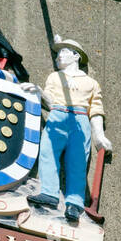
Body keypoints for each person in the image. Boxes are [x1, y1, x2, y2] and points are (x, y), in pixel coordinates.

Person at [29, 37, 112, 222]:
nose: (58, 56)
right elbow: (49, 99)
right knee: (48, 153)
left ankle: (74, 203)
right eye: (57, 53)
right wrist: (37, 91)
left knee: (77, 161)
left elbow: (96, 110)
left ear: (76, 56)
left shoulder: (91, 83)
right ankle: (49, 192)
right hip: (57, 114)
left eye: (63, 52)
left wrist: (99, 135)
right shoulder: (54, 77)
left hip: (80, 120)